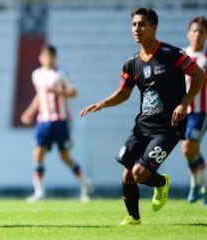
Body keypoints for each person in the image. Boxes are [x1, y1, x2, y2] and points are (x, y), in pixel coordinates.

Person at [80, 8, 205, 225]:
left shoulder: (171, 54)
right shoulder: (132, 63)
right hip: (143, 126)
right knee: (127, 174)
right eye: (134, 24)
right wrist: (102, 104)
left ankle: (161, 183)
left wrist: (184, 104)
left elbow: (199, 74)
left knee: (139, 172)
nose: (137, 29)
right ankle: (133, 218)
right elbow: (123, 93)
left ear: (154, 27)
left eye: (142, 24)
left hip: (168, 127)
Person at [21, 44, 91, 203]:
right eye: (45, 56)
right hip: (43, 120)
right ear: (41, 58)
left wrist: (57, 91)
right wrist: (30, 112)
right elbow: (39, 96)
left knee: (65, 156)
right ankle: (39, 192)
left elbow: (73, 92)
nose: (48, 59)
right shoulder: (37, 74)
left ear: (55, 57)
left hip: (61, 119)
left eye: (51, 56)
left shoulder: (62, 73)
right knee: (38, 153)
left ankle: (84, 185)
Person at [181, 15, 207, 204]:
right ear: (188, 34)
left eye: (201, 31)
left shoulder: (206, 57)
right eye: (194, 31)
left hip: (201, 110)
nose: (197, 34)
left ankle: (196, 184)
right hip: (183, 111)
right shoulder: (181, 55)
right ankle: (201, 185)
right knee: (192, 151)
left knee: (188, 147)